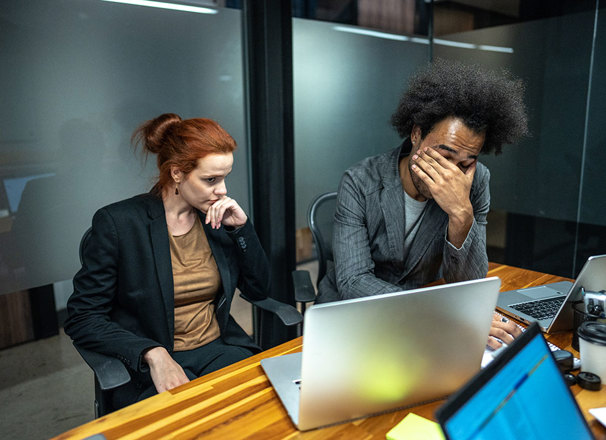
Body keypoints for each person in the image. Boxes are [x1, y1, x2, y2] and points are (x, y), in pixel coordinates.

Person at [317, 60, 529, 349]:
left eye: (465, 163)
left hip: (422, 329)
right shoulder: (360, 181)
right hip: (354, 318)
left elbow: (469, 286)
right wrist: (440, 315)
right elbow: (354, 282)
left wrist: (461, 214)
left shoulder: (476, 181)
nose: (450, 174)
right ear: (416, 133)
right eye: (443, 155)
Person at [64, 113, 270, 409]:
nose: (223, 190)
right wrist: (152, 353)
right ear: (176, 173)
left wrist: (240, 229)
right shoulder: (119, 223)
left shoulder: (215, 218)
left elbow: (259, 290)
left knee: (258, 414)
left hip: (219, 349)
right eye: (210, 179)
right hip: (154, 360)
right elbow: (83, 317)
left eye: (225, 178)